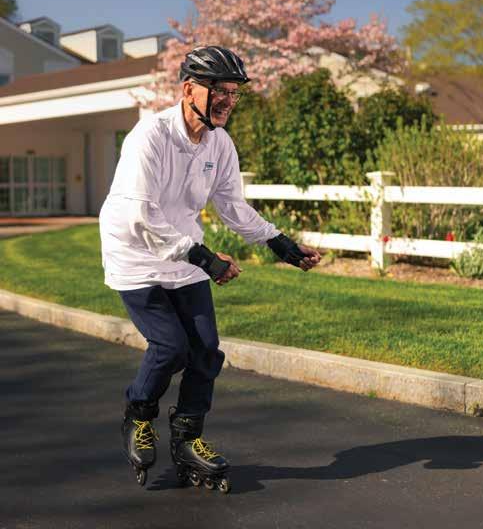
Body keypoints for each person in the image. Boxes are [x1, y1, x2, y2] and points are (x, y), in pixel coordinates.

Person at [98, 45, 321, 490]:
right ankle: (138, 414)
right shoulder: (149, 137)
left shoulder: (219, 143)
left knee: (206, 351)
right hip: (135, 254)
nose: (228, 101)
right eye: (220, 90)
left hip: (184, 255)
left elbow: (232, 206)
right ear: (189, 90)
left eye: (235, 93)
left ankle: (187, 439)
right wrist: (206, 259)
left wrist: (280, 244)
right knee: (170, 348)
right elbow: (141, 215)